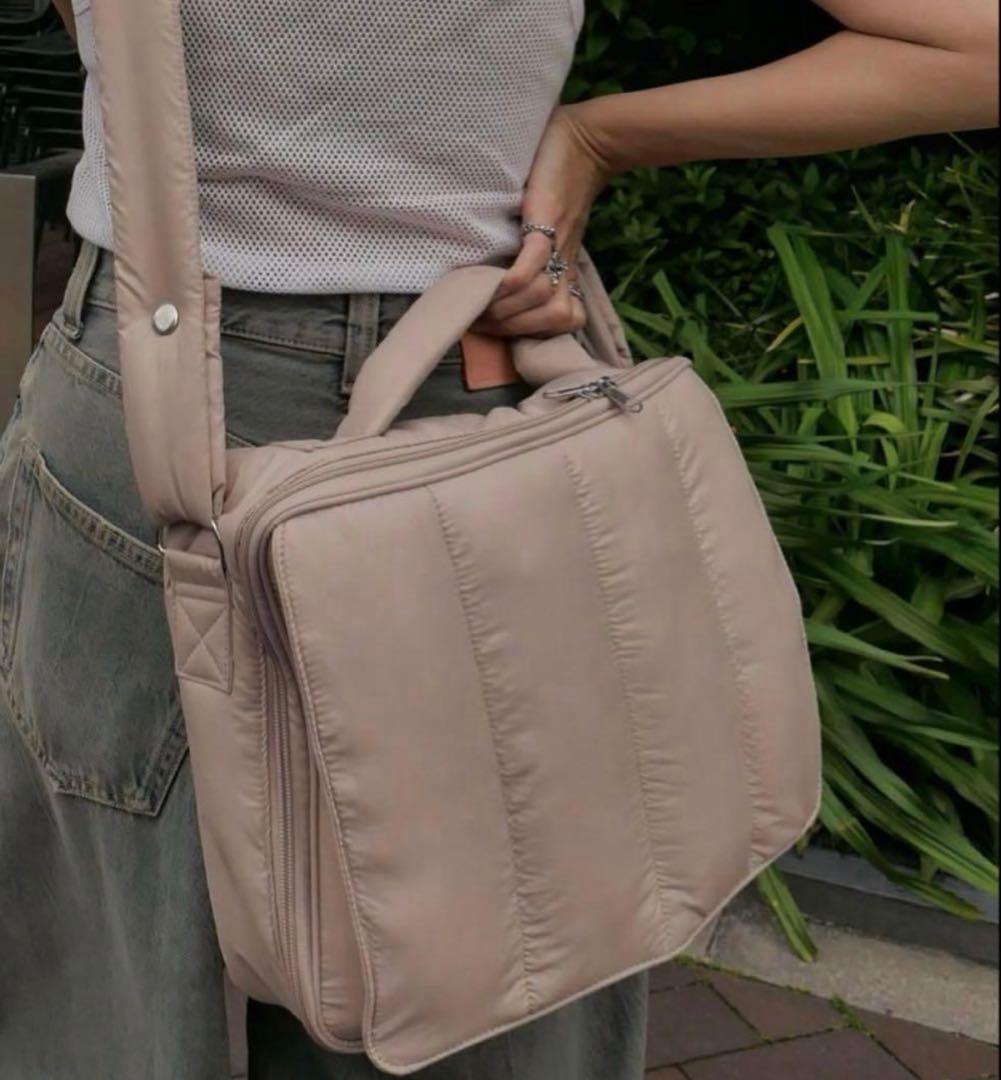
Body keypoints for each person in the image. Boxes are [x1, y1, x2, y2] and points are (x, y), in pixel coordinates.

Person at [2, 2, 996, 1077]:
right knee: (495, 961)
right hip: (472, 401)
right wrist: (597, 138)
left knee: (109, 991)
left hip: (157, 407)